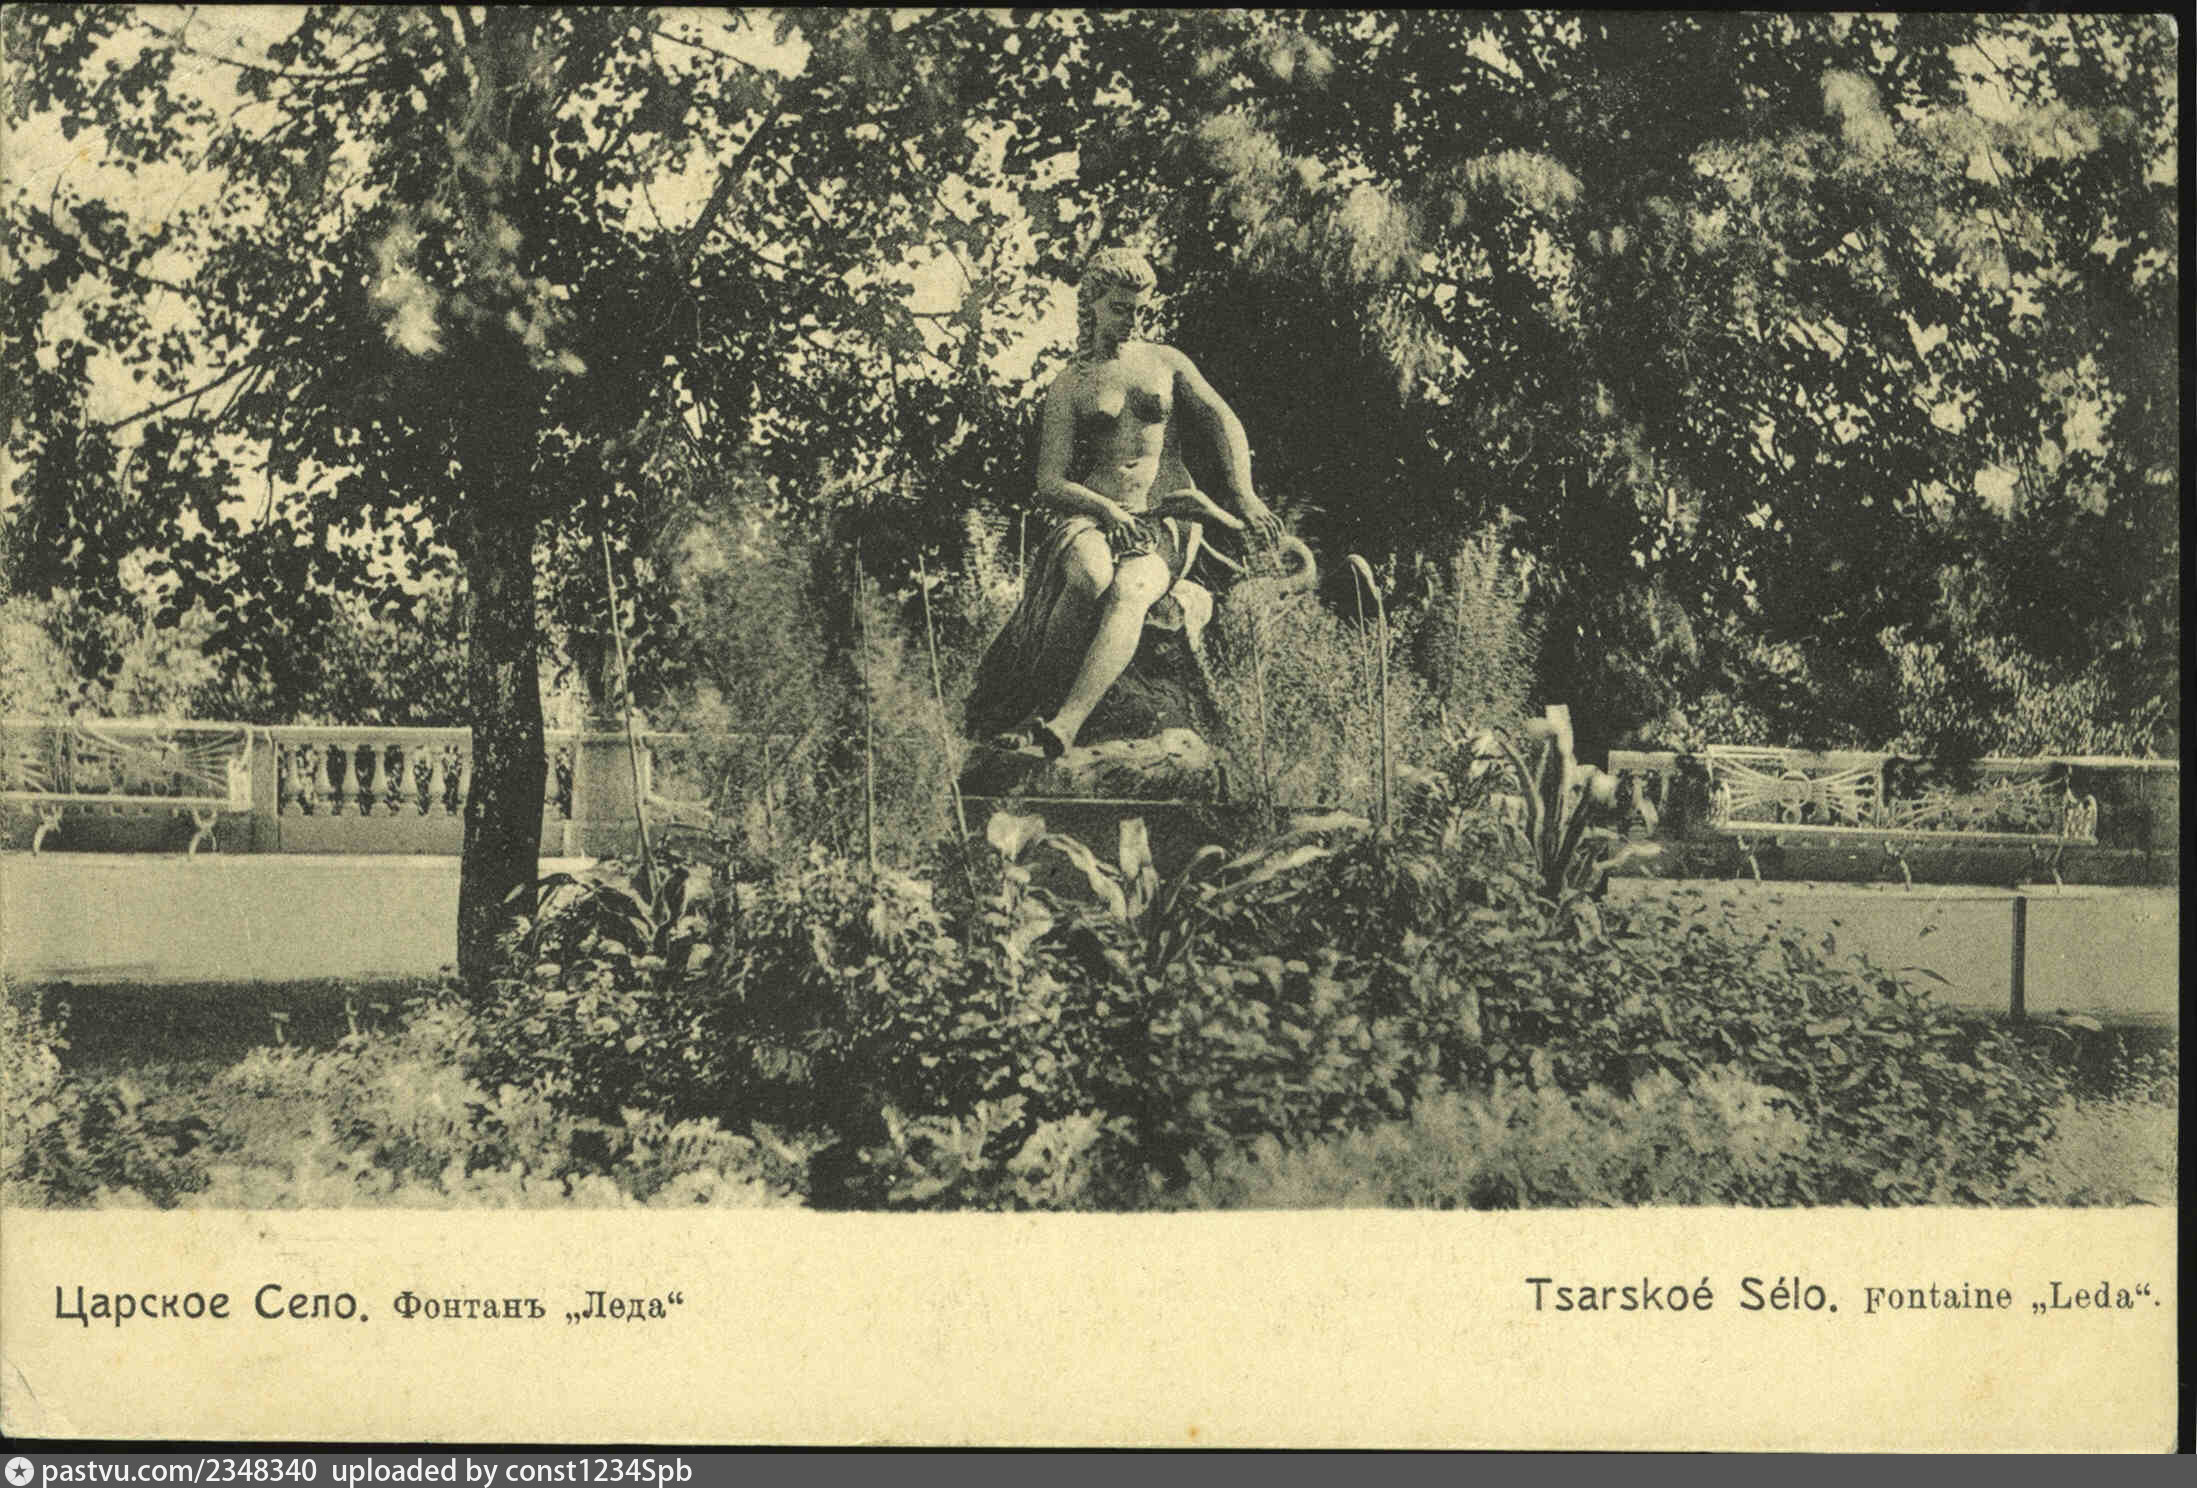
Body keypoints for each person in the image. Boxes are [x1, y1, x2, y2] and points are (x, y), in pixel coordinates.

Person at [970, 247, 1283, 757]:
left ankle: (1067, 724)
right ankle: (1037, 710)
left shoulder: (1166, 362)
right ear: (1092, 303)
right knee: (1088, 576)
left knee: (1132, 588)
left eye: (1140, 309)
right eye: (1119, 308)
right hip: (1097, 514)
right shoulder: (1070, 384)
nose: (1132, 321)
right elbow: (1049, 481)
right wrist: (1106, 511)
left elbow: (1222, 419)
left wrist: (1243, 492)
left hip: (1165, 517)